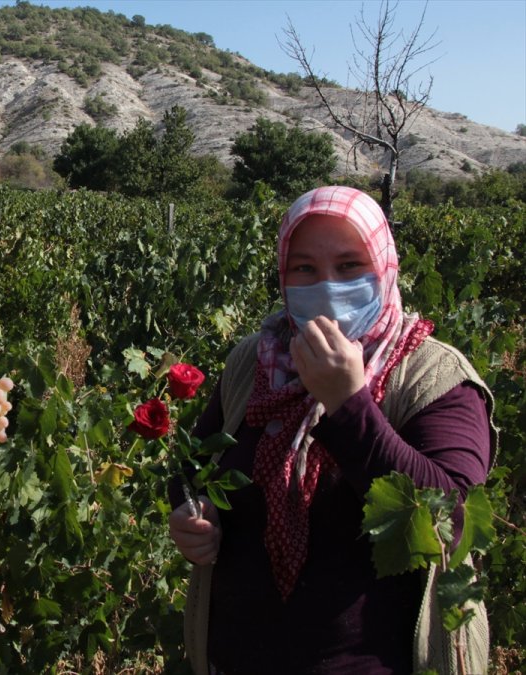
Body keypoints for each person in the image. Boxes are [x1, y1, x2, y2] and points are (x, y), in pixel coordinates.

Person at [167, 186, 495, 674]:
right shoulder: (253, 362)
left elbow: (445, 520)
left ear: (384, 267)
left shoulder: (433, 377)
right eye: (304, 269)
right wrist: (193, 515)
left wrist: (347, 403)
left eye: (348, 266)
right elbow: (191, 466)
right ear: (283, 274)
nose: (326, 285)